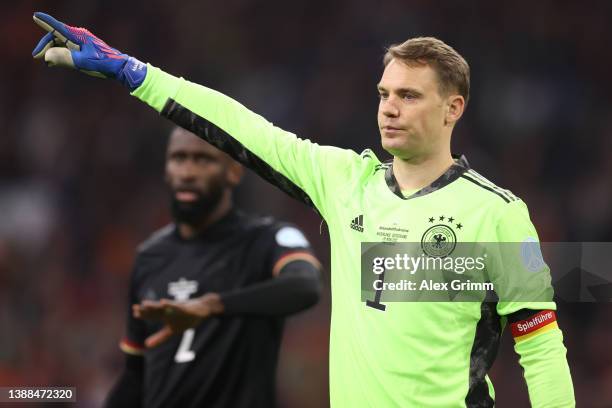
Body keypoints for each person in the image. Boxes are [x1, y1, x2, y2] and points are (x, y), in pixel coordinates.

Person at [32, 12, 575, 407]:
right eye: (384, 93)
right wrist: (132, 71)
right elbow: (243, 128)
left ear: (453, 108)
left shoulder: (499, 214)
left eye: (409, 95)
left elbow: (542, 346)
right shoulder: (346, 181)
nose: (389, 106)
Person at [103, 126, 322, 408]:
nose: (187, 172)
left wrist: (213, 306)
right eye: (178, 158)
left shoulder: (266, 240)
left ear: (234, 171)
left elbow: (306, 285)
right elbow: (136, 374)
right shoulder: (149, 256)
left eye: (203, 160)